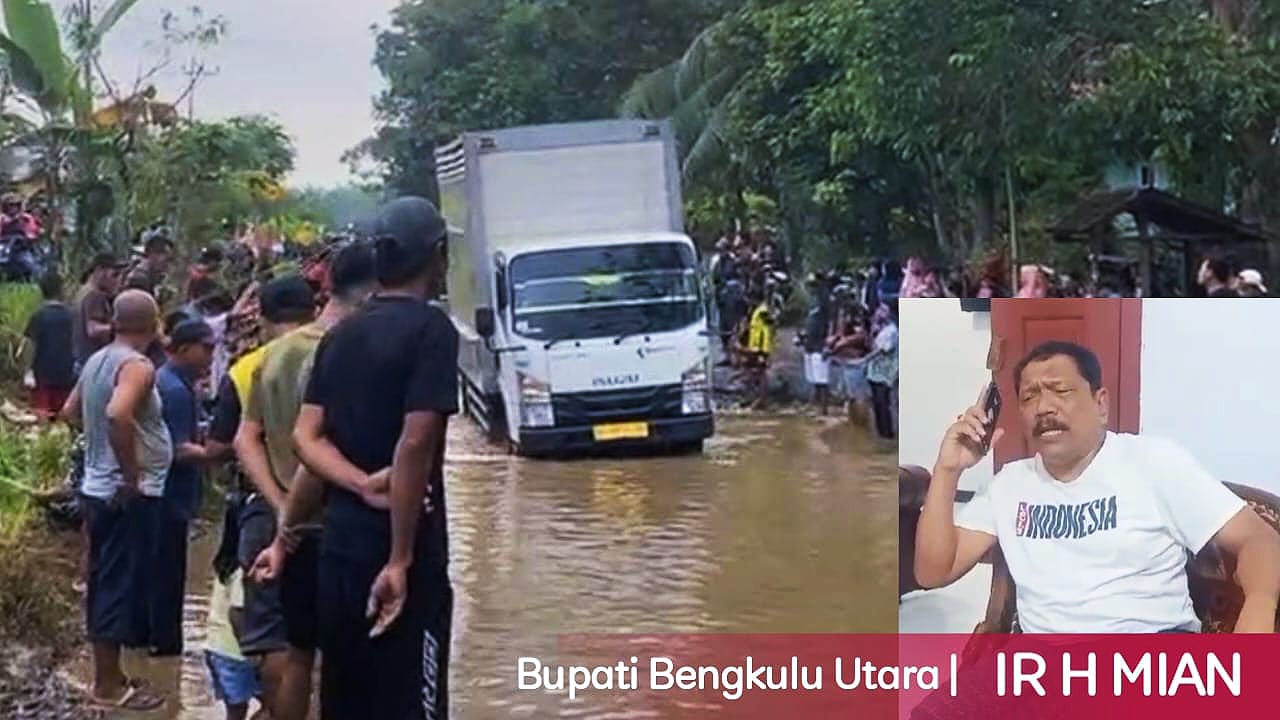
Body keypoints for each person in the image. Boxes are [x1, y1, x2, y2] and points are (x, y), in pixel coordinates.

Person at [916, 341, 1280, 633]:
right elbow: (934, 572)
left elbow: (1262, 542)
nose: (1044, 406)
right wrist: (948, 469)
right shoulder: (1009, 484)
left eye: (1060, 391)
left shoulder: (1154, 462)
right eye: (1029, 397)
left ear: (1100, 403)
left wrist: (1258, 615)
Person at [254, 197, 456, 720]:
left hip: (339, 551)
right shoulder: (431, 330)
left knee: (346, 699)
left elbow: (306, 436)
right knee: (415, 700)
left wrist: (360, 482)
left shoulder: (340, 337)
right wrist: (401, 558)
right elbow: (416, 443)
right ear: (438, 256)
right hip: (405, 551)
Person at [233, 244, 379, 720]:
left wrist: (278, 505)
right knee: (349, 658)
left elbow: (245, 440)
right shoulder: (343, 356)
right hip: (331, 528)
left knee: (298, 653)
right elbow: (316, 452)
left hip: (288, 531)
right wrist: (293, 518)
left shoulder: (270, 357)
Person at [60, 290, 171, 712]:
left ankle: (113, 674)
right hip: (124, 495)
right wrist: (130, 475)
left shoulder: (97, 359)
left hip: (97, 489)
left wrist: (95, 459)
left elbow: (71, 410)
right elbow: (116, 414)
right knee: (118, 587)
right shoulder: (137, 365)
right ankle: (107, 686)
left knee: (106, 580)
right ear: (154, 322)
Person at [150, 320, 221, 656]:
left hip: (164, 495)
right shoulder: (175, 390)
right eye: (206, 348)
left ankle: (151, 644)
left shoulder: (173, 382)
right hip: (169, 497)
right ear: (182, 349)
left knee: (163, 571)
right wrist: (220, 453)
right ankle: (165, 651)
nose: (212, 355)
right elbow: (178, 450)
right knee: (166, 576)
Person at [24, 272, 75, 420]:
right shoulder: (70, 315)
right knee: (62, 417)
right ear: (61, 289)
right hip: (66, 373)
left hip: (43, 375)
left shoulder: (39, 316)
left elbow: (31, 346)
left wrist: (28, 370)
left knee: (42, 416)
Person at [73, 252, 125, 371]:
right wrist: (120, 327)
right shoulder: (95, 295)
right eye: (115, 275)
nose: (118, 280)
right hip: (93, 362)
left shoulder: (82, 291)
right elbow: (93, 329)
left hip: (82, 360)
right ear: (100, 271)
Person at [864, 300, 898, 440]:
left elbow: (882, 350)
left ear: (889, 313)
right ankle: (881, 434)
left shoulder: (891, 331)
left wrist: (864, 359)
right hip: (874, 372)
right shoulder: (880, 329)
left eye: (883, 310)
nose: (879, 312)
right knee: (877, 404)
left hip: (884, 372)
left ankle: (887, 435)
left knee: (883, 404)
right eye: (879, 310)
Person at [802, 273, 832, 415]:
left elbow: (832, 322)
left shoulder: (825, 300)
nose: (810, 288)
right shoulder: (812, 301)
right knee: (813, 377)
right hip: (810, 342)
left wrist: (829, 343)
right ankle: (813, 404)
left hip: (820, 344)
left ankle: (824, 409)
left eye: (813, 285)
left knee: (822, 378)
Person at [744, 290, 774, 410]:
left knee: (761, 374)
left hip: (760, 349)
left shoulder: (762, 311)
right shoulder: (757, 311)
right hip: (755, 348)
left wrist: (763, 352)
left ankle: (762, 400)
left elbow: (767, 331)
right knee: (755, 373)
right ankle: (757, 398)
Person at [125, 230, 176, 298]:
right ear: (151, 253)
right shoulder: (139, 278)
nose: (167, 263)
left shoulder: (154, 275)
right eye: (164, 255)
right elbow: (139, 305)